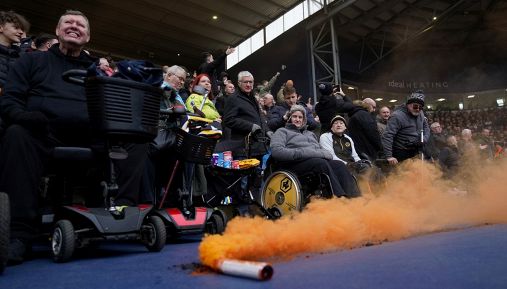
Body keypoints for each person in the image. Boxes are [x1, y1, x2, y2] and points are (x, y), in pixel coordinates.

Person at [0, 10, 148, 265]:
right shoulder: (31, 62)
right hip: (42, 133)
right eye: (68, 22)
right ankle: (19, 234)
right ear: (57, 31)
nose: (74, 26)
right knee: (16, 134)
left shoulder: (97, 73)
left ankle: (123, 215)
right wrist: (26, 117)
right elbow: (10, 101)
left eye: (80, 25)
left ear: (87, 36)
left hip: (91, 137)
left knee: (138, 140)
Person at [270, 105, 360, 198]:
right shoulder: (282, 131)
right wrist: (303, 153)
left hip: (313, 163)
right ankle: (338, 197)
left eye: (300, 117)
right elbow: (277, 152)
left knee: (338, 165)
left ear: (304, 120)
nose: (297, 119)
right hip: (293, 165)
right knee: (320, 163)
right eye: (294, 116)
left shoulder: (310, 134)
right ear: (289, 118)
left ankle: (354, 198)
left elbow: (326, 153)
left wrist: (316, 154)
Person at [222, 71, 268, 157]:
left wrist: (267, 130)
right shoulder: (233, 98)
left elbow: (259, 116)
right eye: (245, 82)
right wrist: (250, 126)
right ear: (239, 83)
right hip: (242, 147)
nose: (248, 84)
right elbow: (228, 120)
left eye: (250, 82)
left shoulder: (253, 98)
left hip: (257, 146)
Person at [382, 90, 430, 165]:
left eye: (420, 107)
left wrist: (424, 139)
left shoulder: (420, 113)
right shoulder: (397, 116)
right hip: (401, 152)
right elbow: (388, 136)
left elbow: (426, 128)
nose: (418, 109)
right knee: (403, 175)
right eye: (415, 106)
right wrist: (389, 156)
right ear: (408, 104)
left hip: (416, 151)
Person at [0, 10, 29, 94]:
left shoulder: (19, 56)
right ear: (1, 28)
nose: (21, 32)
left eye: (22, 29)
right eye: (16, 27)